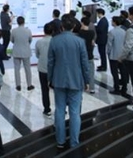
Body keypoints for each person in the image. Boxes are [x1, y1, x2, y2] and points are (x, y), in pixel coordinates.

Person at [48, 15, 90, 149]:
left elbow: (50, 62)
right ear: (73, 27)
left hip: (58, 80)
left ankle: (60, 141)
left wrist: (50, 79)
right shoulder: (80, 41)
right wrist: (87, 80)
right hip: (76, 80)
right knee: (75, 112)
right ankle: (74, 142)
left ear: (61, 27)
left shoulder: (54, 41)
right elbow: (85, 63)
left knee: (59, 110)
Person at [107, 17, 130, 97]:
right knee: (123, 72)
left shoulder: (112, 32)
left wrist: (108, 53)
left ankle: (116, 88)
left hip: (114, 55)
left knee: (115, 73)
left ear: (114, 22)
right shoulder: (125, 31)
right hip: (123, 55)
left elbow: (109, 45)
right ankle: (124, 88)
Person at [11, 16, 33, 91]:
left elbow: (12, 40)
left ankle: (18, 85)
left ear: (17, 22)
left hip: (16, 51)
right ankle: (29, 85)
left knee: (17, 69)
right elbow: (30, 40)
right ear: (24, 22)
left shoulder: (14, 31)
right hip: (26, 51)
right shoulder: (28, 31)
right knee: (27, 69)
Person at [35, 23, 53, 116]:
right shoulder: (55, 41)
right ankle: (61, 108)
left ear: (44, 31)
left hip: (42, 68)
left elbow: (37, 55)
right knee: (58, 90)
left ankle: (47, 109)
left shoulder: (39, 42)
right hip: (54, 69)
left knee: (44, 89)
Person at [78, 16, 96, 94]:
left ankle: (83, 86)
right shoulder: (92, 32)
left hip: (82, 55)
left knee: (81, 71)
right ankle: (92, 88)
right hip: (90, 54)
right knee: (91, 72)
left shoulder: (80, 33)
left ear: (82, 23)